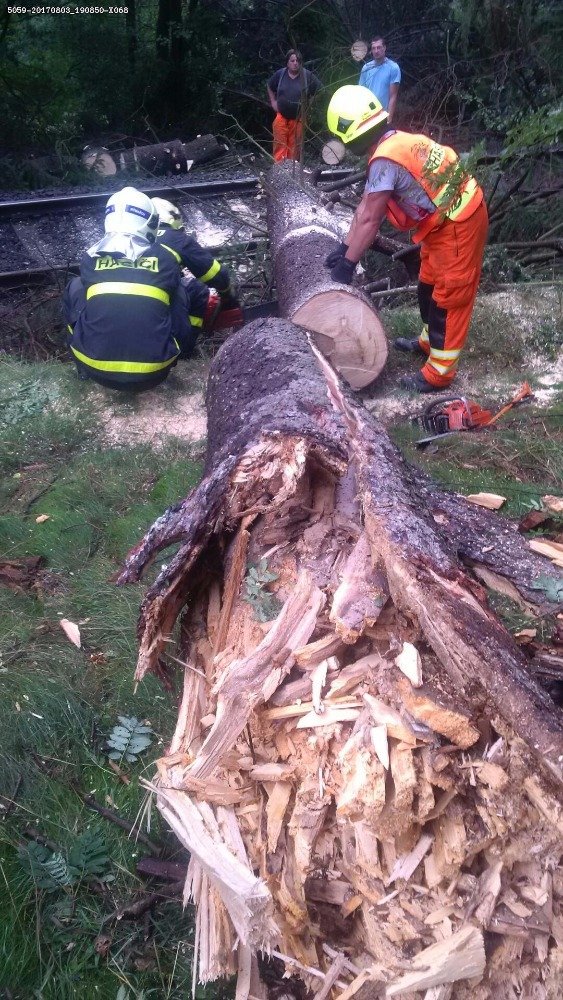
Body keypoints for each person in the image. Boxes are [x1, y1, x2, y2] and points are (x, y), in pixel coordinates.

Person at [325, 85, 488, 393]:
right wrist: (345, 248)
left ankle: (439, 373)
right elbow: (365, 207)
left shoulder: (386, 158)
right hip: (441, 223)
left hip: (459, 220)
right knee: (427, 284)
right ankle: (429, 342)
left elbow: (372, 219)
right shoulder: (391, 144)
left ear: (348, 132)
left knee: (448, 297)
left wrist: (348, 265)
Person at [63, 187, 239, 391]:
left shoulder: (91, 256)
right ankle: (182, 351)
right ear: (150, 222)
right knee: (179, 290)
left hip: (94, 368)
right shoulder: (165, 256)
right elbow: (216, 276)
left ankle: (81, 366)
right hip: (155, 372)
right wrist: (229, 298)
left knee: (76, 286)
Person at [267, 49, 321, 162]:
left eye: (298, 60)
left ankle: (292, 170)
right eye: (292, 60)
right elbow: (269, 86)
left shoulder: (307, 76)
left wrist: (309, 103)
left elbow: (320, 90)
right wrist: (273, 102)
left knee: (295, 147)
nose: (295, 63)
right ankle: (279, 169)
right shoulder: (280, 74)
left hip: (299, 118)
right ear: (287, 62)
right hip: (281, 115)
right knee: (280, 144)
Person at [358, 36, 400, 124]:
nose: (376, 51)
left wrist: (389, 118)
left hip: (383, 115)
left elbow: (393, 96)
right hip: (367, 116)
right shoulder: (366, 68)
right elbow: (361, 93)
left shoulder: (393, 68)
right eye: (373, 48)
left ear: (384, 48)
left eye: (379, 47)